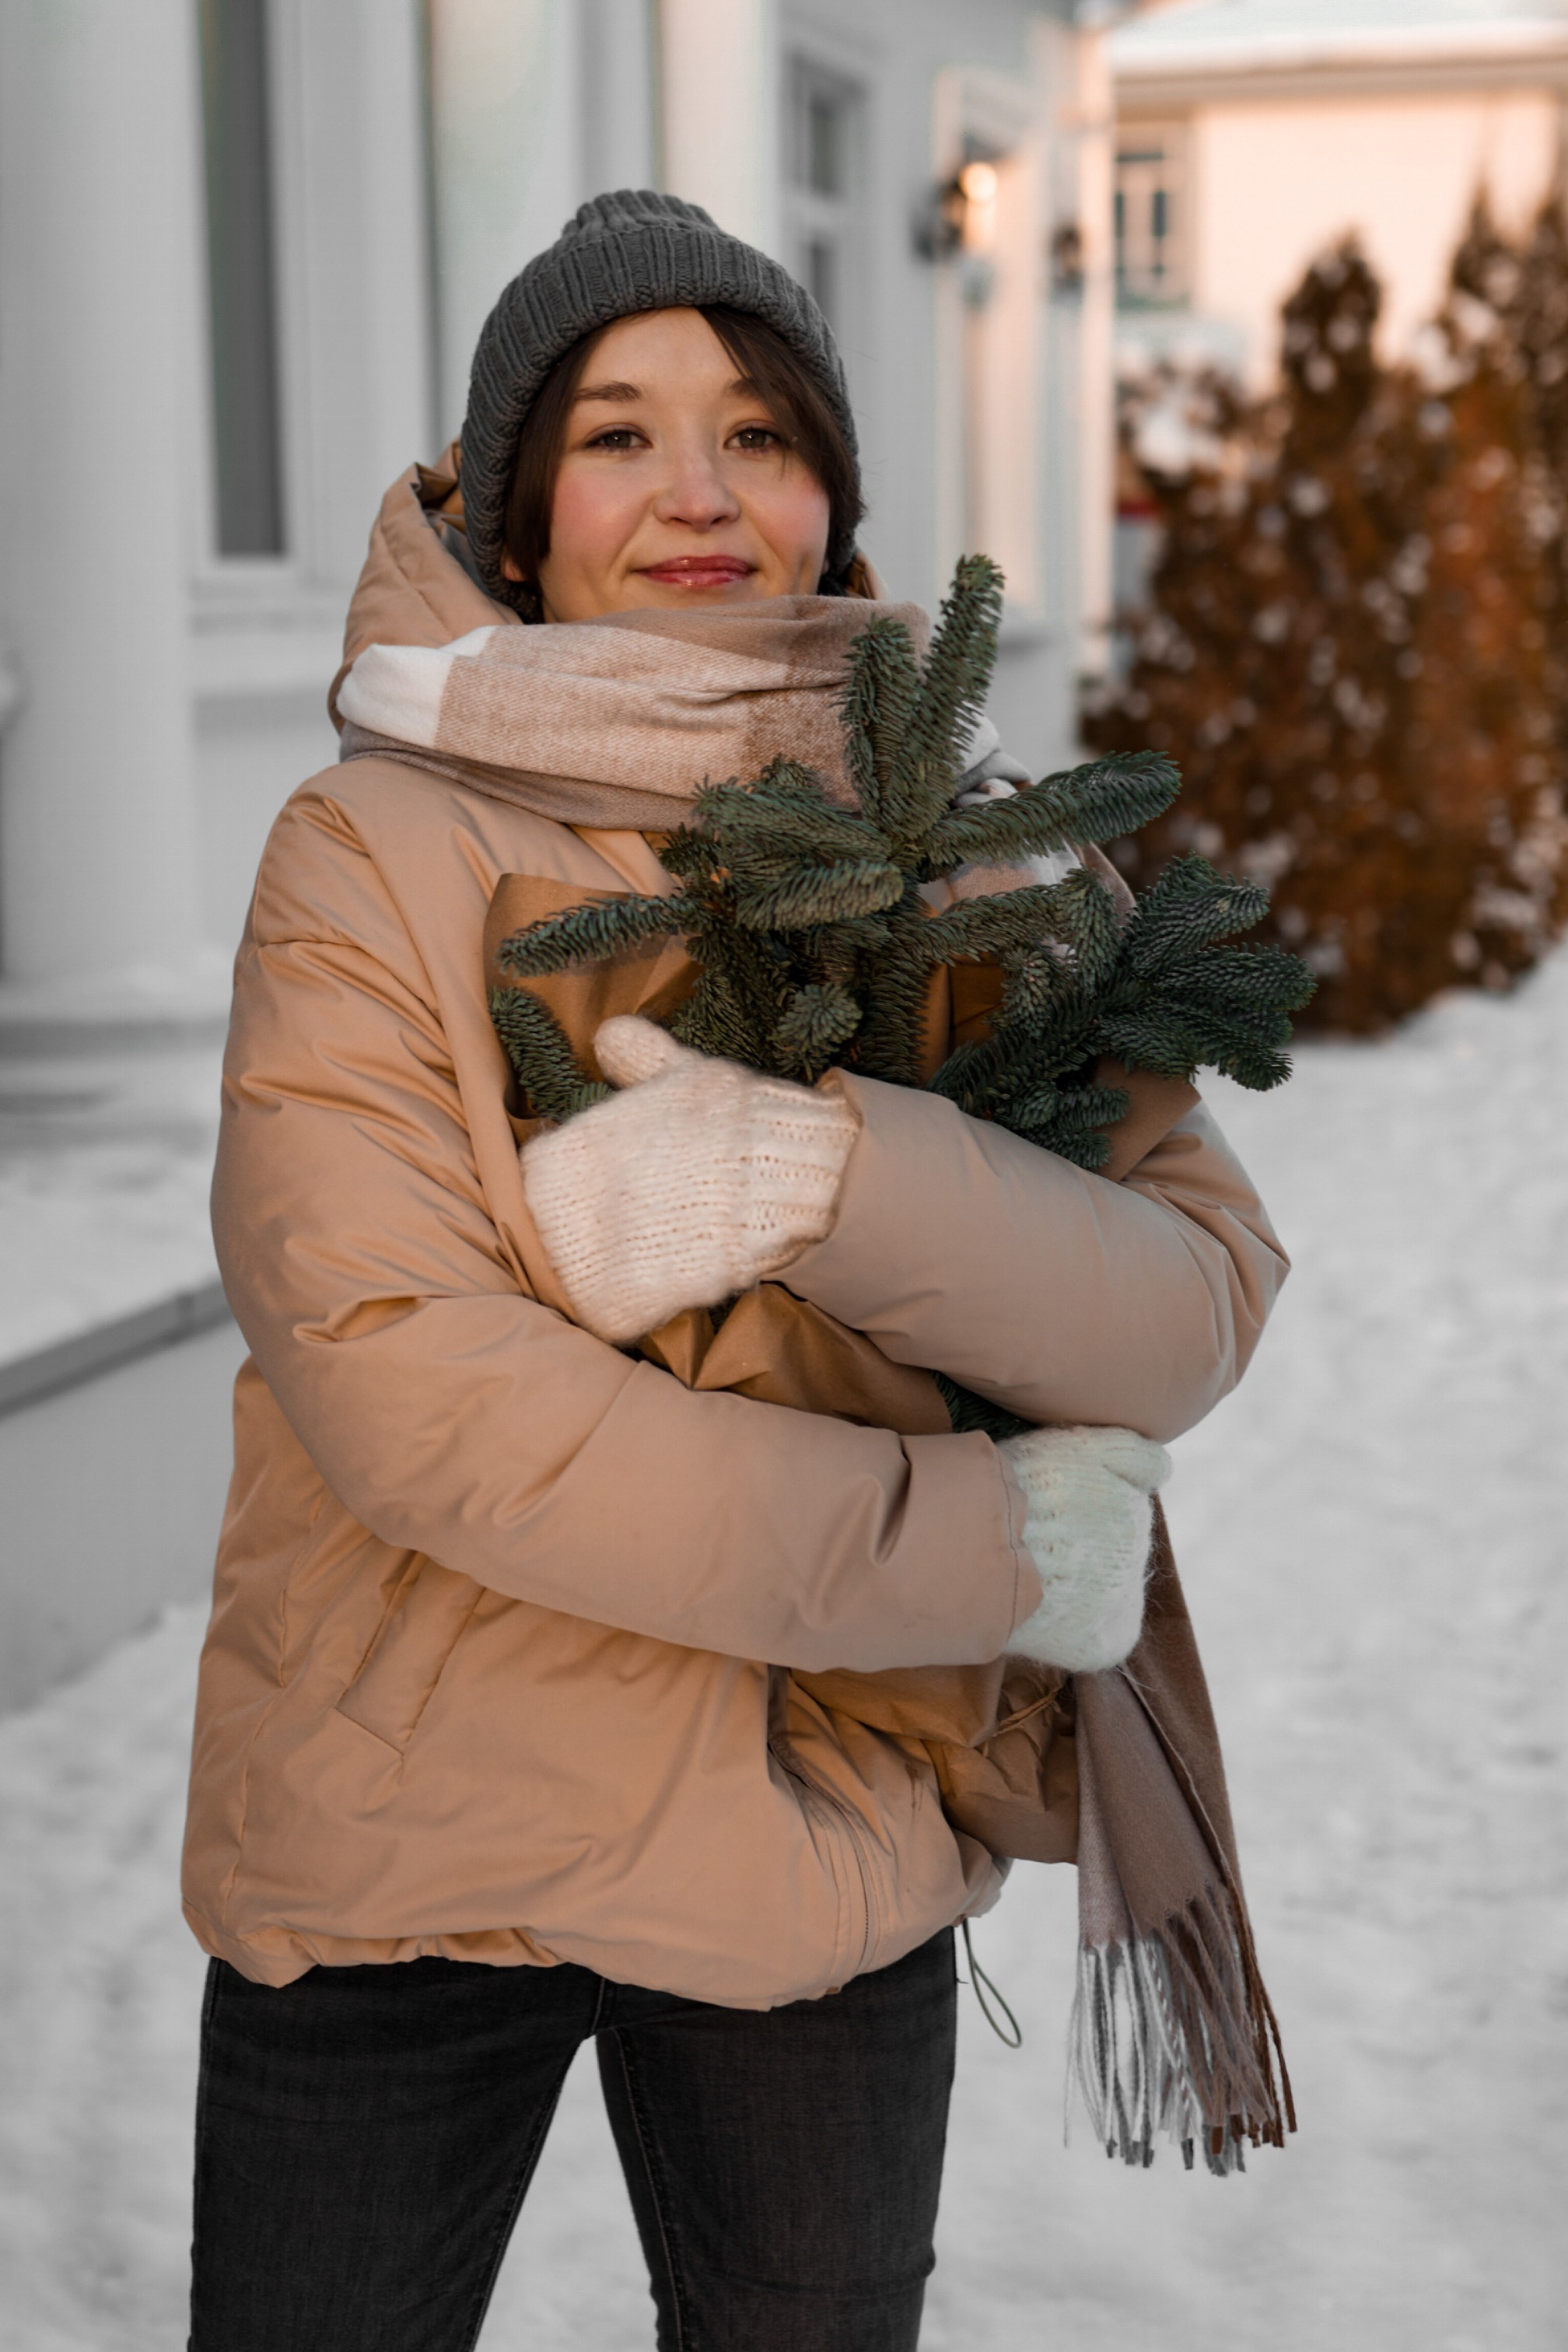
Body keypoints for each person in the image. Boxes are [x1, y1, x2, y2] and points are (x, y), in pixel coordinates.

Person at [182, 191, 1286, 2352]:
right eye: (618, 435)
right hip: (407, 1835)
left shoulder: (961, 854)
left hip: (819, 1835)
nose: (700, 493)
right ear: (516, 519)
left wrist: (832, 1179)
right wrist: (979, 1544)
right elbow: (415, 1389)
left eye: (759, 433)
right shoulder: (370, 853)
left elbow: (1189, 1297)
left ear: (830, 498)